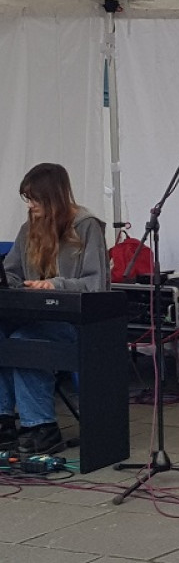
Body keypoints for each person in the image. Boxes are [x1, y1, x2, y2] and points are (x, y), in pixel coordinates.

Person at [1, 163, 109, 454]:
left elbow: (97, 283)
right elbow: (11, 271)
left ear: (53, 197)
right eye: (27, 199)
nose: (31, 206)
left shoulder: (86, 226)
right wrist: (9, 281)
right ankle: (4, 421)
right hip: (35, 316)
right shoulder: (29, 228)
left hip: (76, 323)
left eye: (35, 199)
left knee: (25, 342)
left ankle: (42, 427)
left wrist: (55, 285)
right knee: (4, 335)